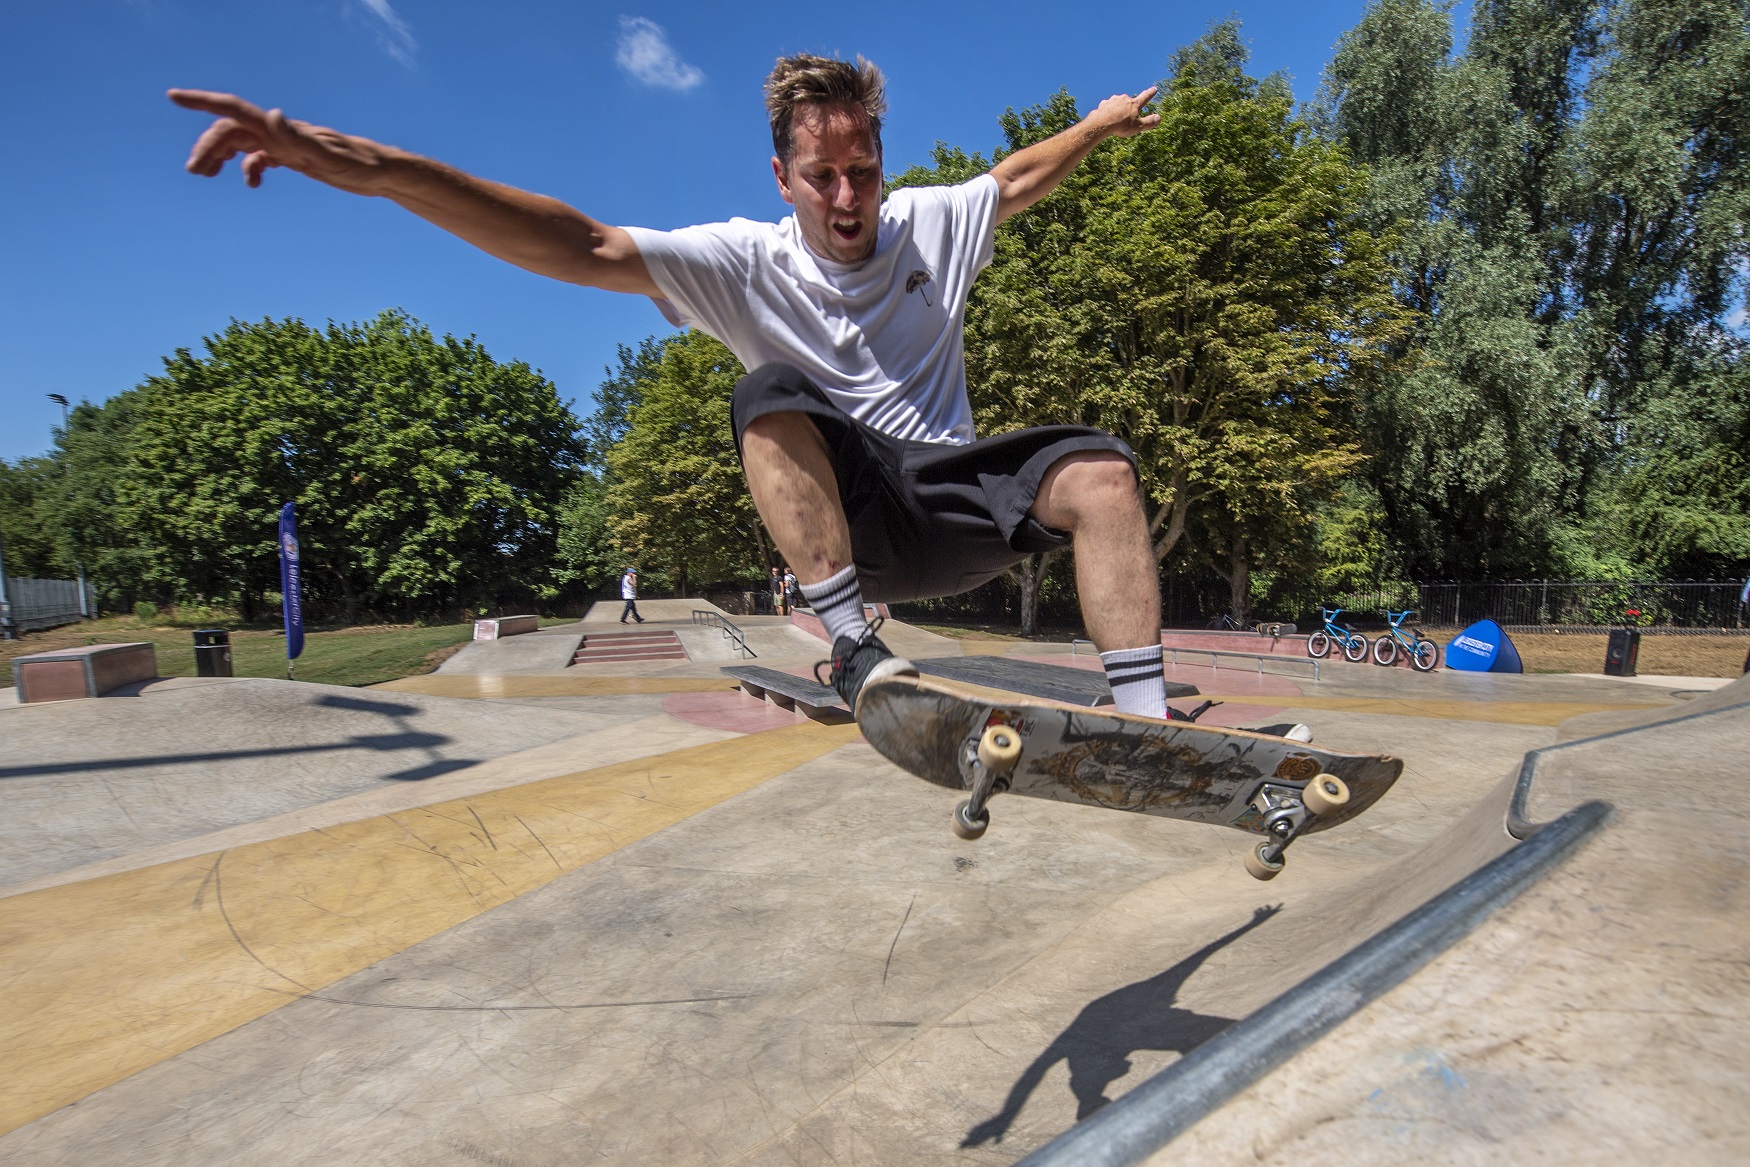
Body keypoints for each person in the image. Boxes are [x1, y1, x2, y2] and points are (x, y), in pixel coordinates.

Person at [169, 55, 1170, 719]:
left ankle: (1152, 724)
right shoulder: (738, 260)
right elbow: (582, 242)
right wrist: (376, 168)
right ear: (781, 178)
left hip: (953, 502)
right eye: (821, 176)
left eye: (862, 171)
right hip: (850, 522)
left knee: (1103, 472)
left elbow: (1017, 177)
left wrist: (1097, 123)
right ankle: (854, 650)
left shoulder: (930, 222)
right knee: (767, 391)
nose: (847, 197)